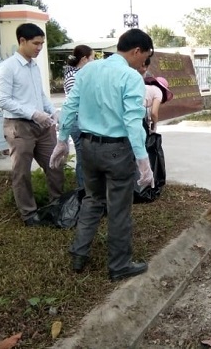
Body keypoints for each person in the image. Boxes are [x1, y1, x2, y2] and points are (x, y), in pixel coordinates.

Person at [49, 28, 155, 282]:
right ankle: (119, 265)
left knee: (92, 200)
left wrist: (62, 140)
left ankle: (79, 254)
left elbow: (70, 106)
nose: (145, 63)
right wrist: (143, 162)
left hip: (87, 148)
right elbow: (132, 122)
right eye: (145, 57)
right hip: (117, 150)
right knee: (119, 208)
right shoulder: (131, 77)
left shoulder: (88, 70)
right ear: (136, 51)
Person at [0, 23, 64, 227]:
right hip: (19, 126)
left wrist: (52, 112)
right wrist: (33, 113)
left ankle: (57, 205)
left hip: (43, 126)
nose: (39, 48)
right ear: (22, 41)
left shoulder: (34, 66)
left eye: (42, 43)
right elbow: (3, 100)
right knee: (21, 172)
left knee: (55, 164)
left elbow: (40, 95)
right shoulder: (7, 68)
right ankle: (29, 214)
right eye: (36, 43)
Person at [63, 44, 95, 189]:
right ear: (84, 59)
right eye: (92, 58)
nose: (93, 62)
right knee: (83, 158)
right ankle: (83, 192)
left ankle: (89, 192)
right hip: (77, 120)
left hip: (84, 120)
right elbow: (76, 101)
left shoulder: (80, 74)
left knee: (88, 158)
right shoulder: (73, 76)